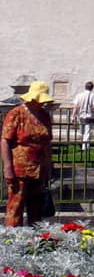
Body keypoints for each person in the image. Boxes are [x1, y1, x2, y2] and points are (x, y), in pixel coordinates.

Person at [2, 81, 55, 227]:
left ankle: (35, 239)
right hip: (19, 167)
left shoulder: (44, 116)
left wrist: (49, 166)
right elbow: (5, 141)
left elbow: (47, 142)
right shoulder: (16, 114)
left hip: (40, 168)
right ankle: (12, 239)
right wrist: (7, 168)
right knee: (16, 205)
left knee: (36, 206)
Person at [70, 80, 94, 151]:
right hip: (88, 115)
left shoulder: (79, 95)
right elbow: (93, 107)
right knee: (87, 132)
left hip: (80, 116)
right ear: (92, 88)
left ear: (85, 87)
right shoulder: (92, 95)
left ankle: (83, 144)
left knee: (82, 131)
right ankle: (85, 148)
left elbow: (75, 106)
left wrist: (72, 116)